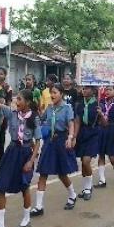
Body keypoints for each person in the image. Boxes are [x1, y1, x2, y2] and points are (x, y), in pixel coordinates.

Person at [0, 87, 41, 227]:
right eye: (16, 99)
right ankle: (0, 225)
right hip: (11, 151)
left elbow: (38, 141)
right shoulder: (12, 113)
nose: (16, 101)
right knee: (1, 185)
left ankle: (26, 219)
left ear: (27, 101)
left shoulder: (34, 117)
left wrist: (31, 161)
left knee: (24, 186)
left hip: (25, 153)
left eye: (19, 99)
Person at [30, 83, 78, 217]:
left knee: (62, 174)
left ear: (61, 94)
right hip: (49, 142)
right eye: (51, 93)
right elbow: (41, 120)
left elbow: (71, 123)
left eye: (55, 92)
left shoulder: (67, 108)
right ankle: (39, 206)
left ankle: (72, 195)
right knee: (43, 172)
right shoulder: (50, 108)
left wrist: (70, 137)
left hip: (62, 141)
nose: (52, 95)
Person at [74, 86, 101, 201]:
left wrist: (101, 114)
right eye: (83, 88)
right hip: (82, 134)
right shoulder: (80, 104)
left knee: (86, 161)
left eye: (87, 88)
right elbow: (77, 121)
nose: (84, 90)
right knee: (83, 163)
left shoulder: (98, 104)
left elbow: (104, 123)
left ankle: (89, 188)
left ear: (94, 91)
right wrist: (74, 137)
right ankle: (85, 188)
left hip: (93, 134)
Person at [95, 86, 114, 188]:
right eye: (106, 90)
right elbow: (99, 119)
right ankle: (102, 180)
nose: (107, 92)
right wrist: (99, 113)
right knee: (101, 155)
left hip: (113, 129)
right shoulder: (101, 102)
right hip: (102, 130)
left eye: (110, 90)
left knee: (112, 156)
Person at [0, 67, 13, 165]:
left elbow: (9, 102)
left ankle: (0, 159)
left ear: (5, 75)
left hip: (2, 114)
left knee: (0, 137)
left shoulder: (7, 87)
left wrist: (7, 115)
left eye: (2, 73)